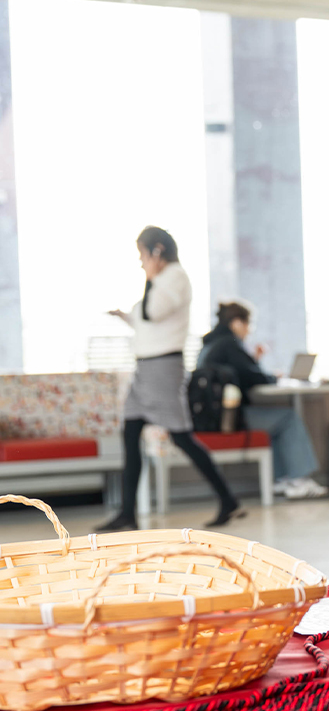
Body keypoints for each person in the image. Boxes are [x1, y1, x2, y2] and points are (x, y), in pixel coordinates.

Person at [98, 226, 242, 531]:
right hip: (146, 370)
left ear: (157, 251)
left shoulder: (174, 277)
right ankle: (128, 514)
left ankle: (228, 499)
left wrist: (150, 276)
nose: (140, 262)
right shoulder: (162, 280)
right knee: (130, 432)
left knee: (182, 438)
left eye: (143, 255)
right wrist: (124, 316)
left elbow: (153, 312)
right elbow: (143, 321)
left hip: (163, 369)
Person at [198, 302, 329, 499]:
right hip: (230, 419)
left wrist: (254, 361)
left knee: (277, 423)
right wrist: (275, 377)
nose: (249, 331)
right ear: (236, 323)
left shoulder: (210, 345)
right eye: (248, 325)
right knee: (288, 418)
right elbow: (254, 377)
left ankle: (282, 480)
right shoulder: (229, 343)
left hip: (212, 416)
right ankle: (299, 480)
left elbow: (241, 373)